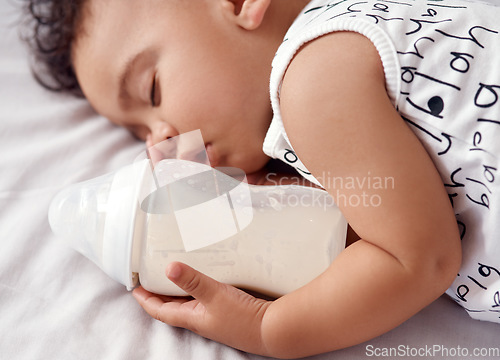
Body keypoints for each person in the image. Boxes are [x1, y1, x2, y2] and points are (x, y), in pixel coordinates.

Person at [25, 0, 500, 358]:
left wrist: (268, 327)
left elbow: (417, 259)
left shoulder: (314, 81)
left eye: (152, 90)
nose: (157, 142)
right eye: (138, 133)